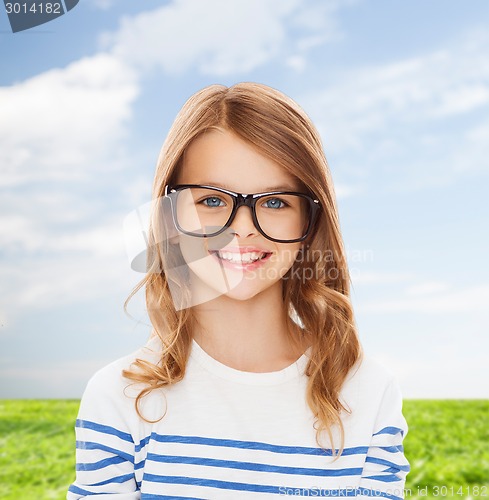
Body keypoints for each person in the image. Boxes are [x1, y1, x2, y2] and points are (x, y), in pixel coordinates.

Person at [67, 82, 410, 499]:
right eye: (212, 201)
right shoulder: (120, 397)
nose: (242, 227)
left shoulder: (368, 393)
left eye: (275, 201)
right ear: (170, 217)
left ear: (311, 221)